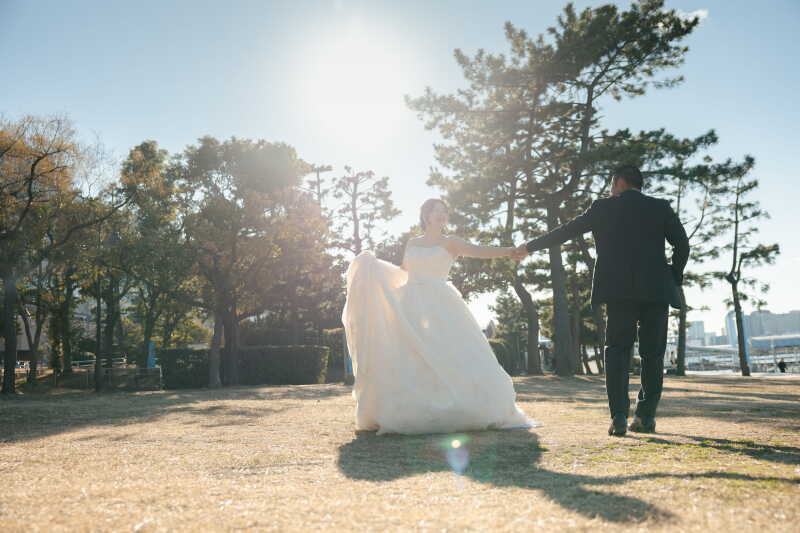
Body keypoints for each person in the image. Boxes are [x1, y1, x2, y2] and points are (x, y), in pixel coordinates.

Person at [516, 165, 689, 436]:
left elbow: (565, 231)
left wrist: (528, 247)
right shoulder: (661, 207)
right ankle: (645, 416)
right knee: (653, 354)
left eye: (611, 185)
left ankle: (619, 417)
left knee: (617, 352)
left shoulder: (602, 208)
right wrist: (674, 276)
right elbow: (682, 245)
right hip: (657, 291)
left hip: (618, 292)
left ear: (618, 182)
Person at [341, 198, 537, 435]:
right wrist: (374, 268)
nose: (442, 215)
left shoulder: (451, 242)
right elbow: (405, 272)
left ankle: (460, 406)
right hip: (411, 302)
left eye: (445, 211)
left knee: (448, 351)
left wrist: (509, 252)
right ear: (426, 215)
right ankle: (408, 408)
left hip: (441, 303)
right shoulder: (412, 242)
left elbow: (478, 250)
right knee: (408, 354)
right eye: (437, 211)